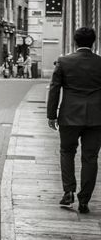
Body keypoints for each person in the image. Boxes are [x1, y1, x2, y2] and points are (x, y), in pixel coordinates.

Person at [48, 27, 101, 213]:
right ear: (93, 42)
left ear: (75, 41)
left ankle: (68, 191)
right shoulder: (100, 63)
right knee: (90, 158)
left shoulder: (64, 62)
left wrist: (51, 115)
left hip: (69, 117)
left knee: (67, 151)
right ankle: (84, 200)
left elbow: (54, 89)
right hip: (96, 118)